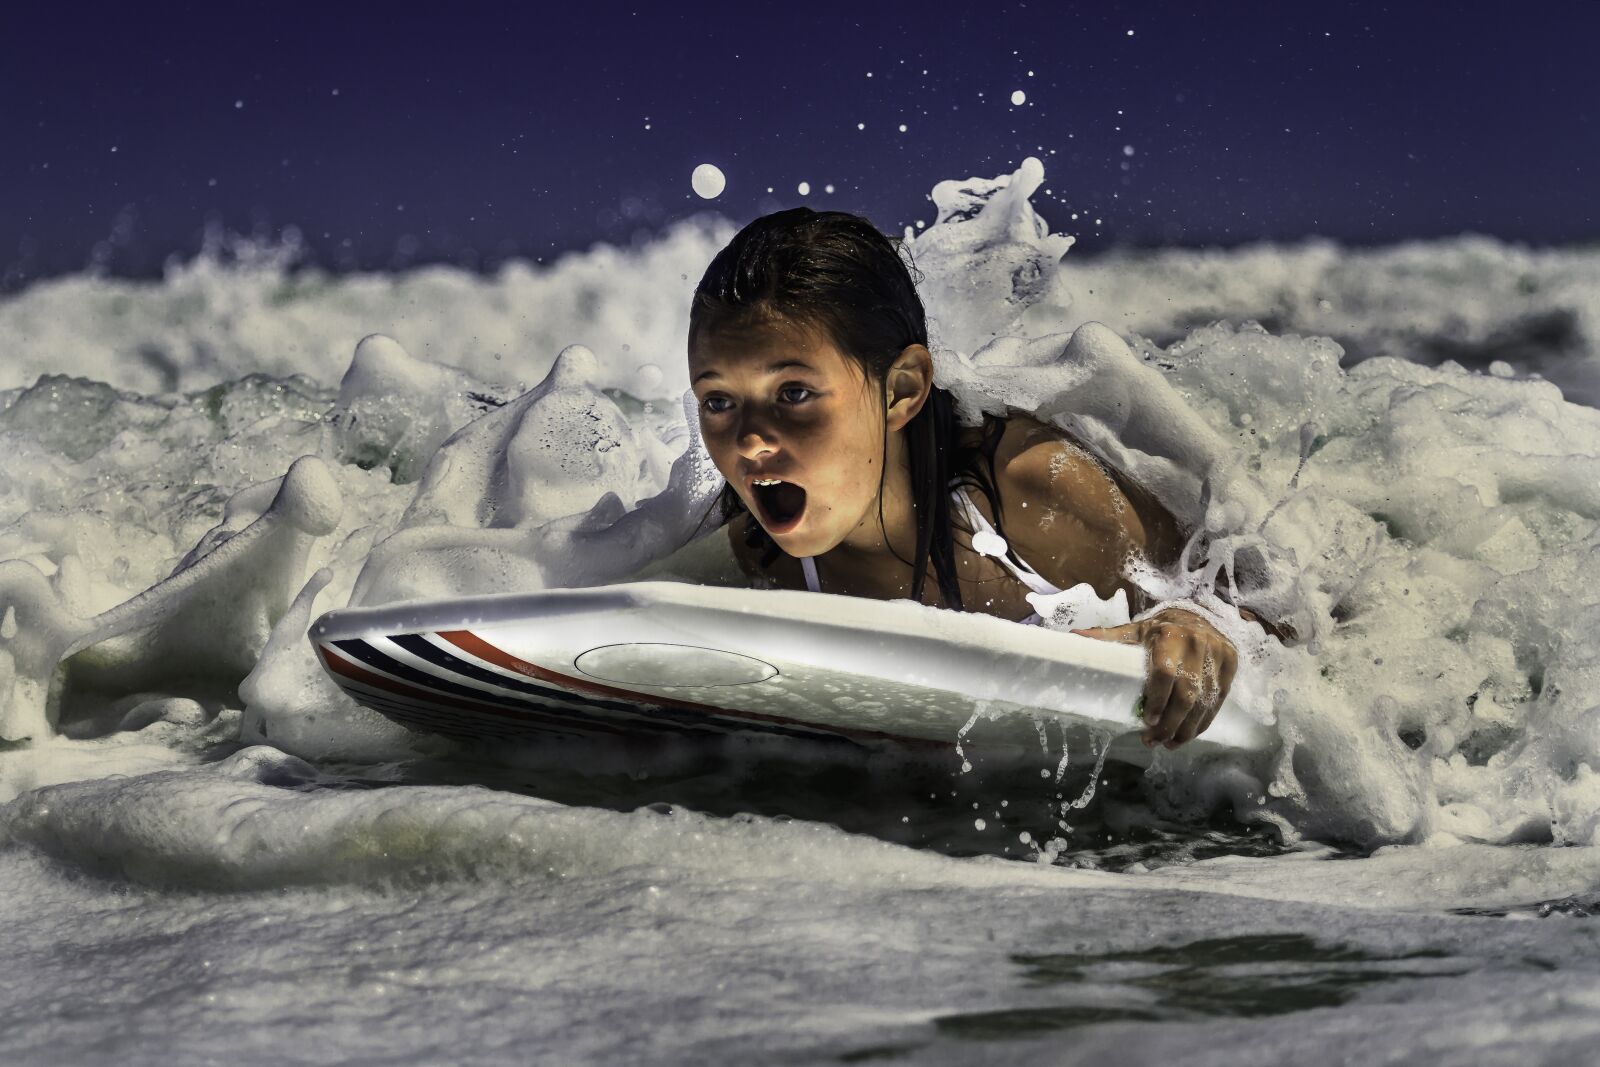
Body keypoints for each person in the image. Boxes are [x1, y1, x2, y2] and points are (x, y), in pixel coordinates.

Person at [685, 208, 1261, 750]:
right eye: (718, 401)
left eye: (793, 394)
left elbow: (1273, 609)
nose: (749, 440)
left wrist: (1193, 627)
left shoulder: (1030, 489)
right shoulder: (757, 557)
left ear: (902, 389)